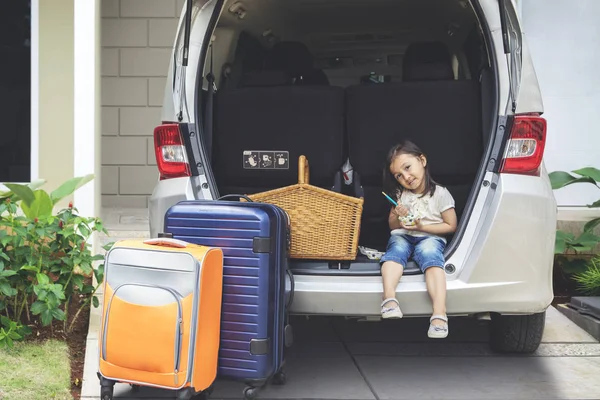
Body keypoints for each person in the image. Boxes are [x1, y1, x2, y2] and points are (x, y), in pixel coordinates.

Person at [379, 140, 457, 339]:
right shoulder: (399, 194)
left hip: (430, 236)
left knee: (431, 256)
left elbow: (450, 226)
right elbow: (392, 226)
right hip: (403, 235)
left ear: (422, 160)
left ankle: (439, 314)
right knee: (394, 252)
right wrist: (397, 214)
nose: (406, 177)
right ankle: (389, 299)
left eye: (407, 168)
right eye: (398, 175)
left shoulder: (440, 193)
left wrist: (423, 227)